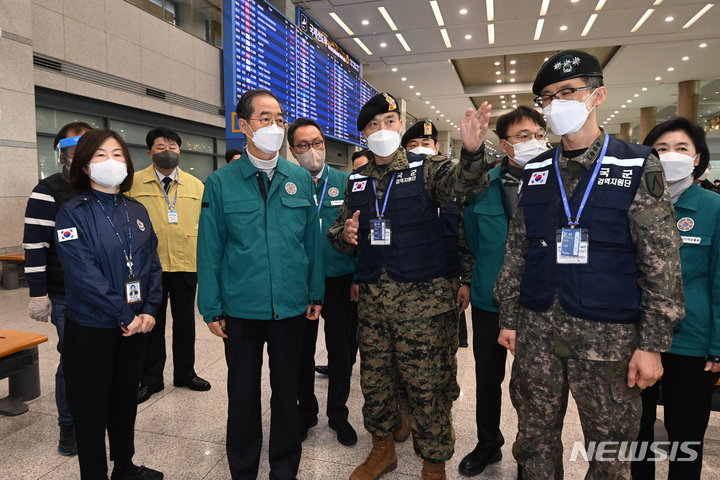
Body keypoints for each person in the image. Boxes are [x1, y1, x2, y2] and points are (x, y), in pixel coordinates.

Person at [494, 50, 685, 479]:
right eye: (547, 96)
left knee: (610, 452)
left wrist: (652, 344)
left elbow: (661, 262)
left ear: (596, 95)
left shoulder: (635, 164)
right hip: (538, 329)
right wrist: (509, 316)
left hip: (610, 339)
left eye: (567, 91)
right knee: (534, 441)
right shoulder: (538, 169)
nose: (556, 102)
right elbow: (518, 250)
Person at [327, 92, 493, 480]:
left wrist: (470, 151)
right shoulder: (357, 180)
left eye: (388, 121)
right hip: (372, 307)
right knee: (376, 383)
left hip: (424, 308)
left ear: (399, 126)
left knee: (427, 387)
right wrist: (346, 234)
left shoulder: (427, 168)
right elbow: (336, 231)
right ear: (362, 134)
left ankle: (433, 465)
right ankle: (382, 451)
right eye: (372, 125)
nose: (381, 130)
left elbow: (462, 184)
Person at [197, 89, 325, 480]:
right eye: (264, 118)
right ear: (243, 126)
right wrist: (211, 306)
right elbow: (210, 248)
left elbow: (311, 243)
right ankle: (243, 469)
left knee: (287, 395)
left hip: (289, 306)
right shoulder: (221, 183)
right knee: (242, 396)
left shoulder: (299, 178)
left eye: (279, 119)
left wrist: (315, 292)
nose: (274, 126)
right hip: (241, 308)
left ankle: (284, 469)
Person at [55, 129, 164, 480]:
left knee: (124, 400)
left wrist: (148, 309)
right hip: (91, 327)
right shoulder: (72, 214)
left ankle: (125, 465)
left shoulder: (137, 209)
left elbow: (152, 264)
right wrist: (124, 313)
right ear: (85, 166)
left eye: (117, 154)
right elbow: (82, 275)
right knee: (90, 408)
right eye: (100, 155)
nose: (111, 162)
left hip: (134, 325)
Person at [460, 106, 549, 477]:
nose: (532, 142)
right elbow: (473, 242)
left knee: (537, 384)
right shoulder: (482, 188)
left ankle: (533, 452)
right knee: (488, 378)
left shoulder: (558, 184)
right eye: (522, 136)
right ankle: (487, 444)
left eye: (537, 134)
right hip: (490, 301)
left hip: (540, 303)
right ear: (504, 145)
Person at [632, 118, 720, 480]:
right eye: (661, 148)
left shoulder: (713, 208)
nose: (671, 156)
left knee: (686, 438)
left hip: (692, 340)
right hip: (637, 337)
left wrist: (717, 344)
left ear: (698, 158)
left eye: (681, 148)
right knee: (636, 435)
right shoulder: (633, 205)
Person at [389, 119, 474, 445]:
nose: (421, 152)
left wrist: (465, 281)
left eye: (427, 145)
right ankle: (405, 411)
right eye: (413, 147)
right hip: (406, 286)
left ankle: (445, 414)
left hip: (445, 287)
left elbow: (464, 239)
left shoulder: (453, 189)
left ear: (437, 149)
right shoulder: (398, 187)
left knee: (443, 356)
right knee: (403, 356)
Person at [23, 121, 92, 456]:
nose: (77, 154)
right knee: (74, 360)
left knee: (98, 359)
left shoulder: (108, 186)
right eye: (71, 147)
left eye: (85, 146)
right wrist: (38, 292)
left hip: (106, 294)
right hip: (66, 293)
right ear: (62, 152)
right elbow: (34, 245)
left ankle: (93, 418)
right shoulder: (47, 190)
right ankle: (69, 426)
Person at [288, 118, 359, 446]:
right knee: (301, 351)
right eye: (303, 145)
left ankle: (338, 414)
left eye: (317, 143)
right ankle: (305, 412)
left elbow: (363, 234)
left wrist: (358, 276)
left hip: (340, 278)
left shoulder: (347, 182)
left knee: (340, 350)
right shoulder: (286, 184)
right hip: (301, 282)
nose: (312, 151)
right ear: (292, 150)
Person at [128, 126, 210, 404]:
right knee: (152, 323)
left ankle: (185, 373)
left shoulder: (195, 185)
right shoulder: (132, 184)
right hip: (149, 268)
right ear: (149, 152)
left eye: (173, 146)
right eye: (161, 147)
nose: (168, 151)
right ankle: (151, 378)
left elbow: (206, 225)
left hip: (186, 263)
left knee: (186, 323)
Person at [314, 149, 372, 378]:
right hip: (313, 276)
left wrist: (356, 278)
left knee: (345, 335)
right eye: (356, 170)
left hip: (347, 275)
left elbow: (362, 244)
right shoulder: (350, 190)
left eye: (364, 169)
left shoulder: (360, 190)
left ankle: (344, 368)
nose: (360, 174)